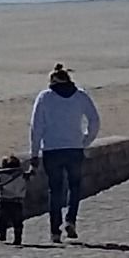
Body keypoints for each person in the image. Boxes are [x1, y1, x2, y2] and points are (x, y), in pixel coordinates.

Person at [28, 64, 103, 242]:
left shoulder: (45, 97)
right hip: (74, 149)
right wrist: (85, 141)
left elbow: (36, 127)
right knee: (74, 187)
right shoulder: (80, 95)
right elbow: (94, 121)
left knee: (55, 190)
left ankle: (55, 231)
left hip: (52, 149)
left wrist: (34, 153)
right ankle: (71, 220)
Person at [0, 155, 30, 245]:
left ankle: (2, 235)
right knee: (17, 221)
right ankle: (18, 239)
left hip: (4, 201)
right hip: (17, 201)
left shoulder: (1, 176)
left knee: (2, 220)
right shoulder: (22, 176)